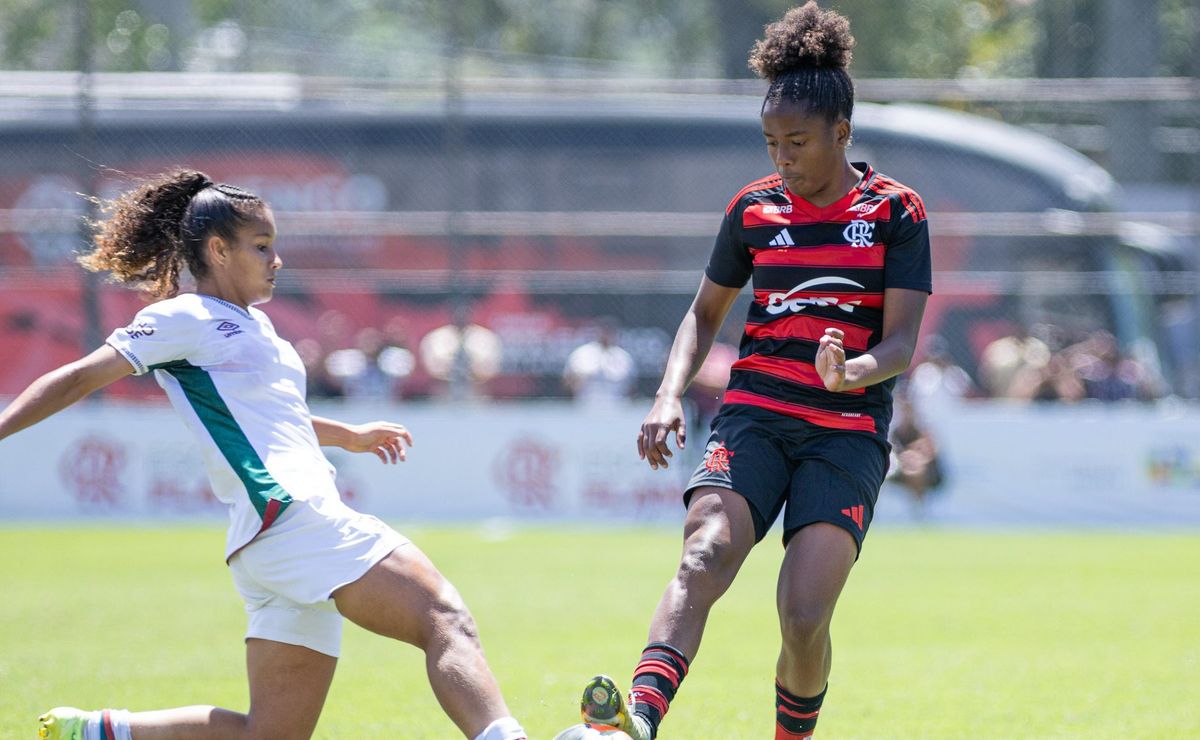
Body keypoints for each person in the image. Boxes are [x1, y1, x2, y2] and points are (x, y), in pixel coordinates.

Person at [0, 171, 526, 740]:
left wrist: (346, 435)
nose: (277, 259)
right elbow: (78, 377)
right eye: (262, 246)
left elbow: (270, 416)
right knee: (442, 616)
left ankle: (98, 731)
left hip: (268, 541)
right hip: (293, 517)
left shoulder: (259, 327)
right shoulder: (184, 316)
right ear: (218, 250)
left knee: (269, 734)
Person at [571, 5, 931, 739]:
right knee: (703, 552)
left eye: (797, 141)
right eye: (771, 142)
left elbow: (900, 344)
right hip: (755, 417)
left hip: (846, 432)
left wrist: (850, 368)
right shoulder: (753, 209)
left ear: (843, 132)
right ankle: (639, 719)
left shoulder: (896, 212)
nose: (783, 158)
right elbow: (704, 315)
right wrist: (670, 393)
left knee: (803, 616)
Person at [562, 317, 636, 405]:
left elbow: (631, 388)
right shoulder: (582, 353)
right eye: (603, 331)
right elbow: (567, 383)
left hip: (616, 408)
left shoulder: (623, 357)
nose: (606, 335)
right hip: (585, 408)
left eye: (609, 331)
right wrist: (578, 380)